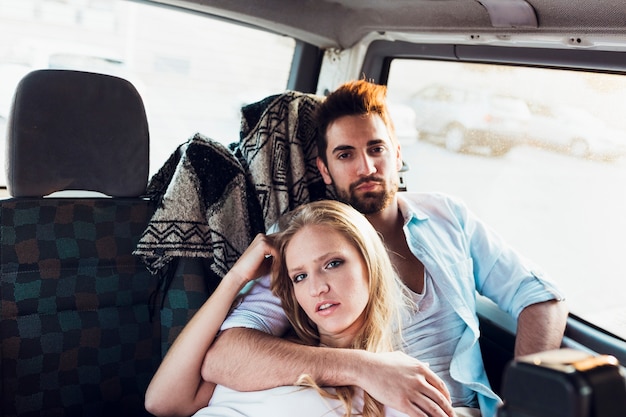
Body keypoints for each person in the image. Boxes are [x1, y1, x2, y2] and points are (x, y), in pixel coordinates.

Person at [146, 80, 568, 417]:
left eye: (376, 149)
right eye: (346, 154)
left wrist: (526, 403)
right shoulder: (303, 239)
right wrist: (366, 369)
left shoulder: (447, 216)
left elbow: (539, 296)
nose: (366, 167)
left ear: (397, 153)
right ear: (324, 171)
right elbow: (224, 356)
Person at [147, 199, 416, 417]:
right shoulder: (260, 354)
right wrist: (235, 278)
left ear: (371, 265)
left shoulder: (396, 380)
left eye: (332, 263)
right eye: (300, 276)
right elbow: (161, 401)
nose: (316, 288)